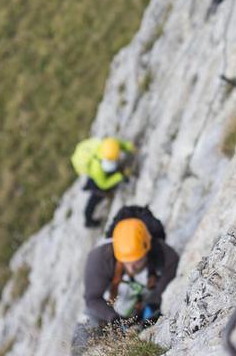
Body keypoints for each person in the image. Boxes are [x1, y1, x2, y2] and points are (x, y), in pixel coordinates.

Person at [71, 212, 179, 355]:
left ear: (147, 249)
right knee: (81, 339)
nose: (132, 268)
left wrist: (152, 305)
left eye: (138, 261)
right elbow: (92, 299)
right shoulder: (99, 258)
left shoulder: (166, 256)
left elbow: (160, 290)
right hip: (104, 311)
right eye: (127, 262)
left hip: (139, 311)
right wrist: (114, 320)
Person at [70, 137, 135, 228]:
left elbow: (119, 144)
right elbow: (103, 184)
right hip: (98, 179)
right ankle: (88, 220)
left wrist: (129, 147)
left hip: (97, 173)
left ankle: (89, 185)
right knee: (95, 197)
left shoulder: (109, 146)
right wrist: (120, 176)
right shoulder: (98, 169)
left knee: (100, 179)